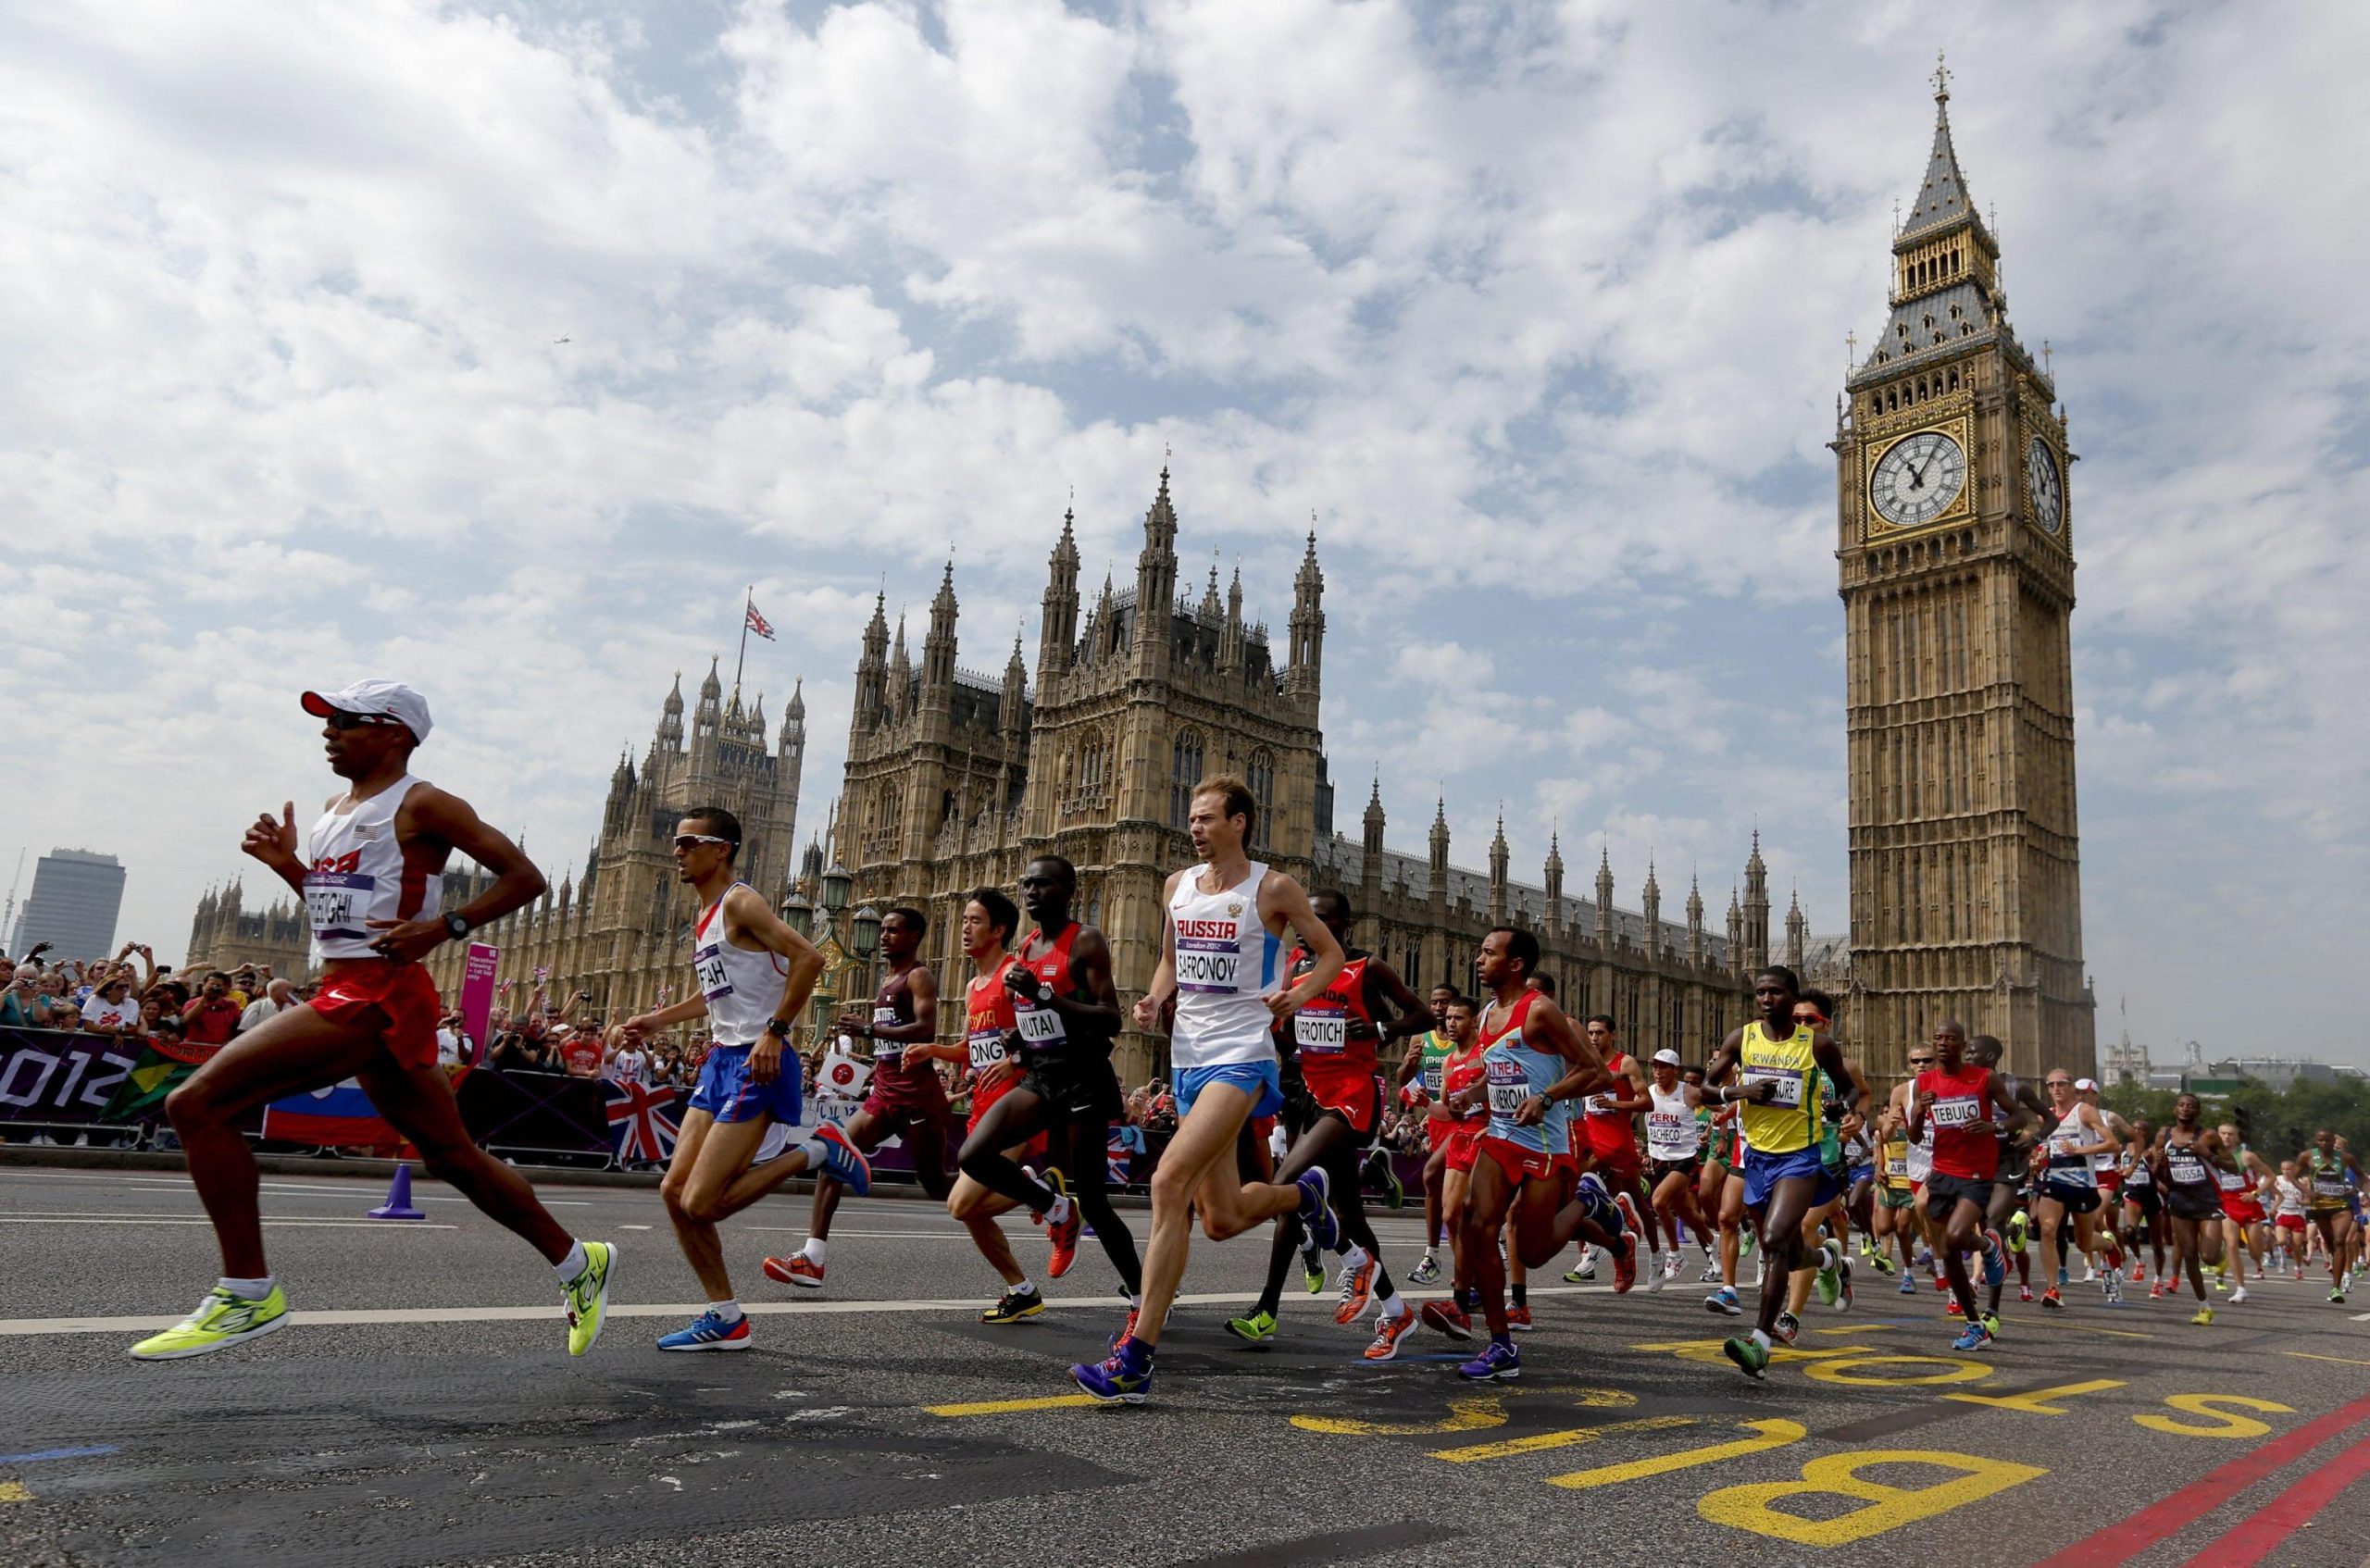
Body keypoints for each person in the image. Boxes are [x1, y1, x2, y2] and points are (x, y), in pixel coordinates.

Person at [137, 680, 617, 1361]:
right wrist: (289, 867)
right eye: (327, 721)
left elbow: (525, 877)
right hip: (350, 983)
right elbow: (338, 913)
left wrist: (445, 926)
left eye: (345, 720)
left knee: (196, 1105)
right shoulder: (333, 812)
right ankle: (579, 1260)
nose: (328, 731)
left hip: (379, 992)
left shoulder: (424, 803)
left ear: (393, 733)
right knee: (451, 1155)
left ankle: (247, 1292)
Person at [1070, 776, 1344, 1405]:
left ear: (1239, 822)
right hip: (1188, 1060)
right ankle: (1302, 1197)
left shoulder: (1272, 888)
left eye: (1207, 818)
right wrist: (1154, 998)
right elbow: (1172, 960)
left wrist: (1298, 994)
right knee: (1220, 1219)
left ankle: (1137, 1356)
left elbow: (1330, 955)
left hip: (1242, 1057)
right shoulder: (1177, 886)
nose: (1194, 827)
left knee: (1168, 1183)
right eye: (1192, 818)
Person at [608, 810, 867, 1350]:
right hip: (722, 1060)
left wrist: (776, 1031)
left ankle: (821, 1150)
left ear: (721, 848)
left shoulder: (740, 902)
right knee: (674, 1192)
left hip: (758, 1060)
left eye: (688, 842)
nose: (677, 851)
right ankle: (725, 1316)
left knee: (703, 1203)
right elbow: (715, 993)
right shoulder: (706, 917)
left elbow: (809, 958)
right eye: (676, 842)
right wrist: (657, 1020)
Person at [1228, 890, 1430, 1356]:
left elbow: (1418, 1015)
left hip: (1351, 1095)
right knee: (1348, 1214)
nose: (1306, 927)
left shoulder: (1367, 967)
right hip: (1309, 1094)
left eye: (1319, 918)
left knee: (1287, 1182)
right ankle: (1395, 1311)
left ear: (1344, 925)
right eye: (1304, 918)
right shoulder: (1297, 968)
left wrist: (1380, 1030)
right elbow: (1287, 1034)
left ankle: (1305, 1286)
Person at [949, 859, 1145, 1320]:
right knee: (973, 1155)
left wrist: (1043, 996)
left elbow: (1110, 1018)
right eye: (1027, 884)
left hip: (1084, 1080)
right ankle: (1055, 1207)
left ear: (1068, 890)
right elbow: (1040, 1022)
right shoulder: (1028, 945)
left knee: (1095, 1201)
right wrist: (1017, 1040)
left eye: (1042, 883)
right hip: (1041, 1077)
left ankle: (1143, 1297)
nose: (1031, 891)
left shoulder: (1086, 941)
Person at [1439, 927, 1625, 1382]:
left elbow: (1597, 1073)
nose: (1478, 960)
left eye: (1488, 952)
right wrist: (1472, 1095)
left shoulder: (1539, 1010)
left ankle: (1588, 1202)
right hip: (1502, 1135)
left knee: (1534, 1252)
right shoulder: (1487, 1014)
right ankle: (1501, 1345)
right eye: (1480, 952)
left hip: (1543, 1143)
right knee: (1474, 1222)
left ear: (1516, 963)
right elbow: (1500, 1072)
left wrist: (1546, 1097)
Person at [763, 907, 949, 1289]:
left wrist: (868, 1029)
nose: (884, 936)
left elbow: (926, 1028)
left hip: (918, 1096)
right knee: (835, 1156)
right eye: (882, 930)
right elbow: (889, 1043)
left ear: (914, 936)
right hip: (884, 1093)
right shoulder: (887, 978)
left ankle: (1024, 1190)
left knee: (938, 1185)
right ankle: (812, 1258)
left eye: (893, 931)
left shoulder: (918, 976)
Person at [1898, 1019, 2029, 1359]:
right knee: (1947, 1250)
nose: (1943, 1044)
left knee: (1957, 1236)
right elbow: (1914, 1136)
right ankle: (1975, 1324)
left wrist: (1992, 1126)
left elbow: (2020, 1117)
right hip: (1942, 1171)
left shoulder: (1984, 1078)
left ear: (1961, 1043)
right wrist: (1919, 1111)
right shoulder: (1925, 1082)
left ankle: (1988, 1245)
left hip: (1977, 1173)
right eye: (1938, 1038)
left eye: (1951, 1038)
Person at [1965, 1035, 2045, 1323]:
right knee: (1969, 1231)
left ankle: (1992, 1310)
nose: (1966, 1056)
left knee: (1991, 1226)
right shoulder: (1960, 1084)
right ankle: (2013, 1231)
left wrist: (2034, 1139)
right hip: (1972, 1162)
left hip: (2005, 1161)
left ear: (1991, 1057)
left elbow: (2049, 1119)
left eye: (1972, 1052)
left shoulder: (2015, 1086)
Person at [2031, 1069, 2119, 1309]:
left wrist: (2078, 1150)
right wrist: (2039, 1159)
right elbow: (2048, 1148)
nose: (2056, 1089)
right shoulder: (2046, 1117)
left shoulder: (2084, 1111)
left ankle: (2108, 1244)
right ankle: (2052, 1289)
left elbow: (2113, 1144)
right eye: (2051, 1085)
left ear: (2071, 1087)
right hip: (2054, 1182)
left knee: (2084, 1243)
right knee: (2047, 1230)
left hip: (2082, 1184)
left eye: (2061, 1084)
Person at [1396, 983, 1463, 1287]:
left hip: (1461, 1122)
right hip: (1436, 1120)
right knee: (1437, 1189)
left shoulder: (1466, 1040)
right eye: (1434, 1002)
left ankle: (1461, 1259)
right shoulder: (1420, 1038)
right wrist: (1409, 1065)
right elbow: (1403, 1080)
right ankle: (1434, 1254)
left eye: (1444, 1003)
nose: (1438, 1008)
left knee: (1438, 1181)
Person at [1641, 1049, 1716, 1291]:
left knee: (1659, 1201)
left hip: (1684, 1159)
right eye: (1655, 1066)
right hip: (1658, 1160)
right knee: (1686, 1212)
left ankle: (1675, 1254)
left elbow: (1718, 1107)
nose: (1657, 1071)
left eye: (1663, 1067)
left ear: (1675, 1070)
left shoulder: (1689, 1092)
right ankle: (1713, 1243)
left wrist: (1721, 1133)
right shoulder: (1648, 1092)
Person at [2153, 1096, 2229, 1325]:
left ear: (2198, 1112)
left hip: (2207, 1200)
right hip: (2180, 1199)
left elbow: (2234, 1166)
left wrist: (2207, 1154)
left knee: (2209, 1257)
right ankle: (2204, 1307)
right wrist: (2159, 1164)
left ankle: (2220, 1257)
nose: (2185, 1109)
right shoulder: (2163, 1135)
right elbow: (2158, 1174)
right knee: (2189, 1253)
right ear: (2174, 1109)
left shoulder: (2208, 1136)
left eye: (2191, 1106)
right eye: (2181, 1105)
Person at [2212, 1123, 2276, 1303]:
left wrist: (2256, 1194)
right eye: (2223, 1133)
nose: (2226, 1137)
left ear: (2237, 1137)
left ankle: (2266, 1243)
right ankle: (2241, 1288)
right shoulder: (2212, 1156)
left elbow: (2271, 1176)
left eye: (2230, 1134)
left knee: (2256, 1252)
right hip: (2226, 1205)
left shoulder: (2247, 1156)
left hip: (2248, 1204)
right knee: (2231, 1244)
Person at [2300, 1129, 2362, 1303]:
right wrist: (2308, 1192)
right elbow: (2295, 1177)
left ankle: (2338, 1286)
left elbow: (2363, 1177)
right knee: (2331, 1244)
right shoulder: (2308, 1157)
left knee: (2342, 1241)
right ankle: (2339, 1271)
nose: (2326, 1144)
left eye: (2329, 1141)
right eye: (2321, 1140)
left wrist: (2356, 1190)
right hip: (2321, 1208)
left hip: (2343, 1206)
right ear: (2316, 1141)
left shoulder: (2346, 1160)